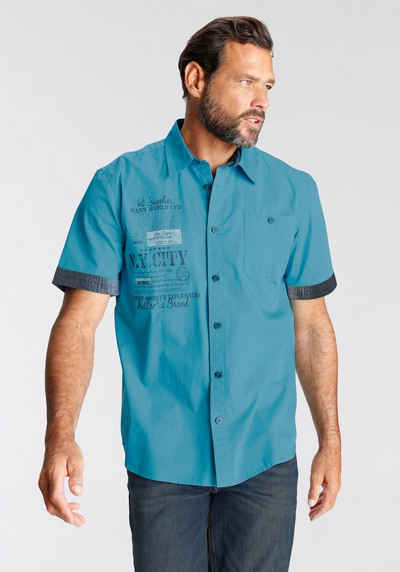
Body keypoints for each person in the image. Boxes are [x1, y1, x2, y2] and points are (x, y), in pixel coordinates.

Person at [38, 15, 341, 572]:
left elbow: (313, 327)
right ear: (196, 80)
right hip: (163, 464)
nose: (261, 102)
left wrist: (331, 440)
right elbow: (78, 323)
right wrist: (61, 437)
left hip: (264, 461)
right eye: (245, 82)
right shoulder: (120, 186)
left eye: (268, 86)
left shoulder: (295, 192)